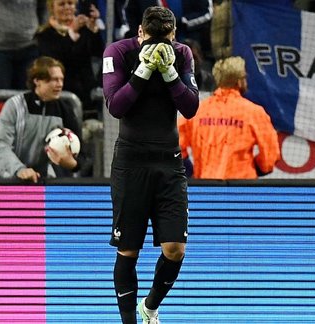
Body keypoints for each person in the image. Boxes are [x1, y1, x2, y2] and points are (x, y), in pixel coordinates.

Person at [102, 5, 199, 324]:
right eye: (151, 40)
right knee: (129, 250)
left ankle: (151, 306)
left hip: (169, 164)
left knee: (175, 249)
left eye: (166, 41)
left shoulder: (182, 53)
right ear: (140, 33)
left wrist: (170, 73)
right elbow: (116, 106)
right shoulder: (117, 51)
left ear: (173, 36)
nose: (159, 48)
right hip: (131, 163)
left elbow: (190, 107)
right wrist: (143, 71)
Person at [178, 56, 280, 179]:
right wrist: (255, 169)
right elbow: (270, 156)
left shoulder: (198, 110)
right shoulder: (254, 112)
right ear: (239, 81)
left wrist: (192, 173)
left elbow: (175, 146)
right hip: (242, 189)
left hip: (206, 188)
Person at [0, 56, 83, 183]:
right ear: (37, 80)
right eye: (54, 80)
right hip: (8, 177)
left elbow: (81, 154)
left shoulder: (65, 110)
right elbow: (1, 144)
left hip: (43, 180)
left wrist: (72, 164)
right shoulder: (14, 106)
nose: (60, 84)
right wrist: (19, 170)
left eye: (61, 79)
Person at [35, 0, 105, 120]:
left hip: (86, 98)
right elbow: (55, 61)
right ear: (52, 8)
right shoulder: (44, 35)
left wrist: (94, 28)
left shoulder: (84, 29)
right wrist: (71, 32)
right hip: (59, 97)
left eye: (70, 3)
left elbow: (98, 52)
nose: (67, 7)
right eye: (62, 4)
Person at [0, 0, 47, 90]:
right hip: (1, 49)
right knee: (1, 95)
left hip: (30, 47)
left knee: (28, 94)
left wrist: (41, 30)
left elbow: (43, 7)